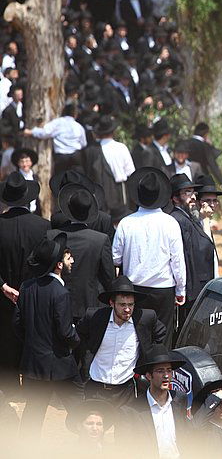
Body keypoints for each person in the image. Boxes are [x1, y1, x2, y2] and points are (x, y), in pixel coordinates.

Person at [13, 233, 81, 437]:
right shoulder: (60, 293)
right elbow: (65, 331)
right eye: (68, 258)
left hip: (34, 363)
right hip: (59, 364)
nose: (72, 261)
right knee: (81, 407)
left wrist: (32, 343)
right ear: (58, 265)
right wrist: (77, 339)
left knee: (32, 414)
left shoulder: (26, 287)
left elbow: (17, 323)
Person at [112, 167, 186, 347]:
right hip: (163, 289)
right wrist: (181, 290)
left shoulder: (126, 223)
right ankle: (159, 371)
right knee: (162, 336)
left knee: (136, 335)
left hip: (135, 288)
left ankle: (140, 372)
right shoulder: (170, 223)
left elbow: (115, 258)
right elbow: (177, 261)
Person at [77, 276, 166, 407]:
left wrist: (146, 362)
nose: (127, 309)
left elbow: (160, 334)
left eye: (131, 305)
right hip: (96, 388)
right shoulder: (95, 317)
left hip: (126, 391)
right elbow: (78, 337)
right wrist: (84, 363)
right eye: (122, 305)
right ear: (112, 303)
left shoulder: (145, 318)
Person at [0, 172, 50, 390]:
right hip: (34, 294)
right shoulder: (43, 226)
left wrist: (3, 286)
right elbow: (47, 262)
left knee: (6, 340)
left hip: (2, 296)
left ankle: (9, 387)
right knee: (32, 339)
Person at [47, 183, 114, 325]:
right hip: (89, 305)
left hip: (56, 302)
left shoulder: (52, 236)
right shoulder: (100, 240)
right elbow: (108, 277)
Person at [120, 344, 190, 458]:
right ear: (148, 375)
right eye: (160, 371)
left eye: (169, 370)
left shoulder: (180, 400)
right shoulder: (131, 411)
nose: (166, 376)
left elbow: (188, 435)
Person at [168, 174, 215, 326]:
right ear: (175, 198)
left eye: (193, 192)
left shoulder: (186, 216)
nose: (193, 197)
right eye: (187, 192)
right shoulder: (178, 219)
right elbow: (184, 258)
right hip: (191, 290)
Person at [83, 115, 136, 213]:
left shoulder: (92, 150)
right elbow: (131, 172)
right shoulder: (121, 148)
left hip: (101, 192)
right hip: (120, 190)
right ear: (113, 131)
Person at [23, 103, 86, 174]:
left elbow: (45, 133)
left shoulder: (58, 123)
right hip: (76, 156)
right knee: (77, 180)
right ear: (75, 114)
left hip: (62, 157)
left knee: (61, 180)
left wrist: (31, 132)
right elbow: (84, 143)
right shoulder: (78, 126)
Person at [195, 174, 222, 277]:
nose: (212, 205)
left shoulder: (207, 219)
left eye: (214, 200)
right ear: (198, 202)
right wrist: (205, 218)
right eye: (207, 201)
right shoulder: (193, 223)